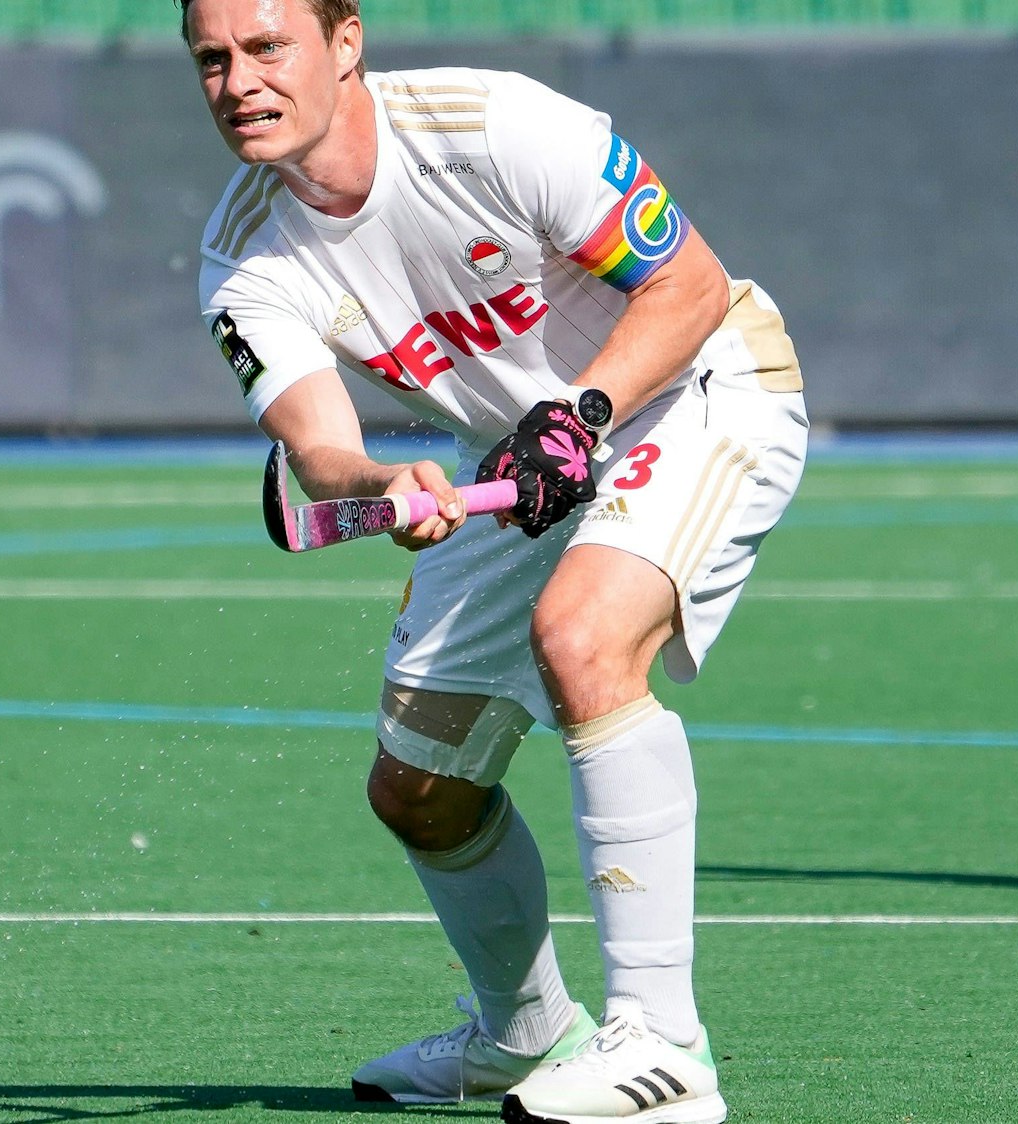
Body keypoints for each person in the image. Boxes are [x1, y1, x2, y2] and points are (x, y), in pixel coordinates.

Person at [181, 1, 809, 1121]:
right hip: (516, 460)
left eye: (267, 47)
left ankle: (665, 1047)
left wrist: (581, 413)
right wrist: (383, 483)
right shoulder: (244, 258)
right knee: (419, 787)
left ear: (344, 40)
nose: (239, 84)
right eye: (213, 60)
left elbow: (692, 286)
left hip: (699, 391)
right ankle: (524, 1033)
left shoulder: (492, 126)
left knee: (582, 636)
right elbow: (321, 452)